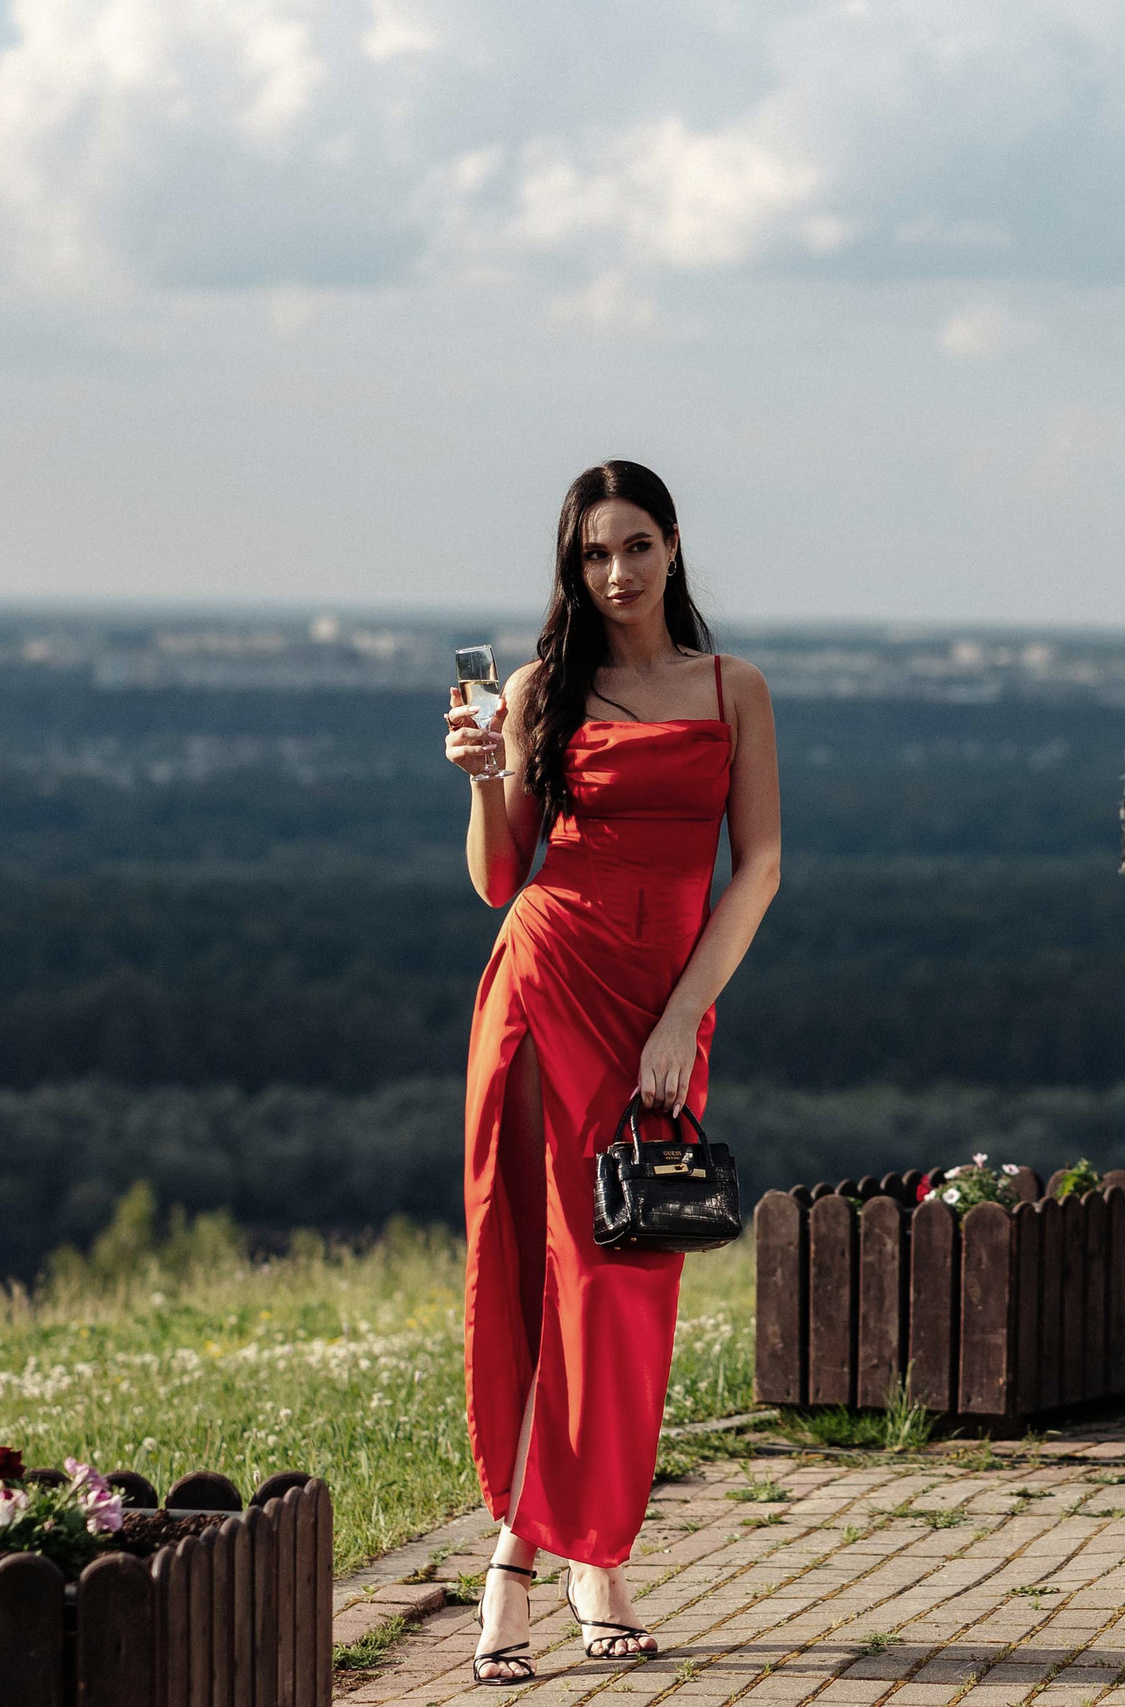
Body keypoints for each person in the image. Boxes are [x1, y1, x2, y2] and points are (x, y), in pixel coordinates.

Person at [442, 460, 781, 1686]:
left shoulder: (732, 688)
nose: (617, 572)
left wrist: (685, 1014)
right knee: (546, 1273)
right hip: (544, 989)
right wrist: (487, 777)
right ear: (572, 568)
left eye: (636, 545)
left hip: (661, 1017)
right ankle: (523, 1568)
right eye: (594, 555)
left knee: (625, 1291)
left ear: (675, 546)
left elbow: (761, 868)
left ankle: (595, 1556)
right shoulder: (545, 688)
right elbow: (499, 878)